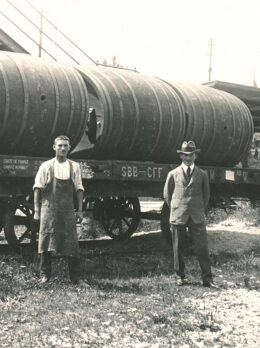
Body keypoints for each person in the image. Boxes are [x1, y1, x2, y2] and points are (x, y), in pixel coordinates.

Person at [33, 135, 84, 284]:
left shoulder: (74, 166)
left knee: (71, 242)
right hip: (49, 210)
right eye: (60, 145)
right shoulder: (46, 166)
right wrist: (37, 211)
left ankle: (75, 278)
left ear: (69, 148)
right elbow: (37, 188)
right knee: (45, 241)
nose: (62, 148)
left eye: (65, 146)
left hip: (67, 210)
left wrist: (79, 210)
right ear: (54, 147)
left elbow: (79, 189)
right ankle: (45, 276)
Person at [163, 141, 215, 287]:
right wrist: (177, 208)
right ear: (181, 156)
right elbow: (167, 195)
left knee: (202, 247)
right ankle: (179, 276)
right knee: (177, 246)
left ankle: (207, 278)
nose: (188, 158)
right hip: (179, 214)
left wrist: (197, 208)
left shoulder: (202, 174)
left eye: (191, 155)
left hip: (196, 215)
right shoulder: (173, 174)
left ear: (195, 156)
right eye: (185, 155)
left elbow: (206, 195)